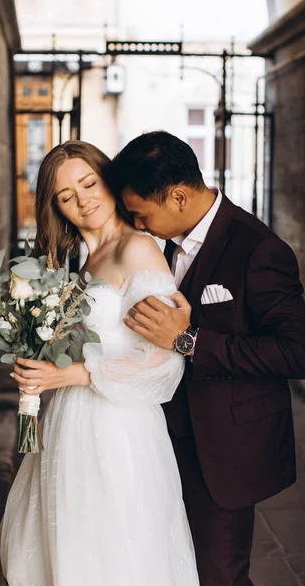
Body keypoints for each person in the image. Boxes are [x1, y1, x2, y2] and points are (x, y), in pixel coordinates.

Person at [105, 130, 305, 586]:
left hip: (223, 449)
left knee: (219, 574)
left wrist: (191, 340)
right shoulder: (160, 247)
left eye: (142, 214)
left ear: (177, 197)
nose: (137, 225)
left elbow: (296, 351)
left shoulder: (259, 249)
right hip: (160, 437)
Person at [0, 140, 200, 586]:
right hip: (68, 420)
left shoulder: (138, 251)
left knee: (117, 545)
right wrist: (37, 358)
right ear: (56, 207)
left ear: (108, 182)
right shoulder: (78, 263)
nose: (83, 199)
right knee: (69, 538)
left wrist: (70, 374)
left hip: (119, 428)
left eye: (89, 183)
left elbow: (163, 363)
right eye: (67, 196)